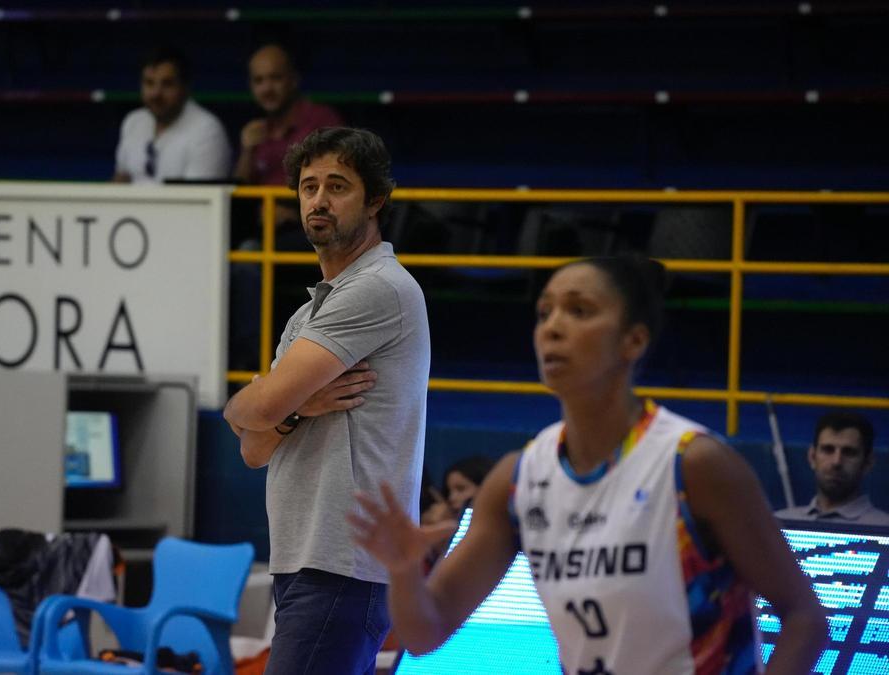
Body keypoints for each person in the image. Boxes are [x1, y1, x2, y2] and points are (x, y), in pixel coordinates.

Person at [349, 256, 827, 674]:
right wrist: (404, 570)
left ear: (633, 341)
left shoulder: (694, 465)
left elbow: (805, 616)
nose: (552, 327)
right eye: (544, 312)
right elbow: (424, 633)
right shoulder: (518, 480)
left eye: (579, 311)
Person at [223, 127, 430, 675]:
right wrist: (297, 406)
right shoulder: (306, 315)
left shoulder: (377, 288)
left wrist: (266, 406)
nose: (318, 199)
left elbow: (247, 412)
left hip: (344, 566)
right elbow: (252, 448)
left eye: (337, 186)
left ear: (376, 199)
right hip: (307, 562)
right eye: (308, 186)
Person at [112, 47, 231, 184]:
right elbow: (121, 180)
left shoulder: (208, 131)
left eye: (167, 84)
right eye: (149, 83)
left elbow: (199, 201)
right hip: (131, 206)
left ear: (185, 87)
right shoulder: (133, 121)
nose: (156, 93)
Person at [233, 44, 343, 187]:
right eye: (259, 80)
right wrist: (247, 152)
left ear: (294, 80)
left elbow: (335, 184)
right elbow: (238, 191)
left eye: (276, 78)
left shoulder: (321, 122)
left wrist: (291, 208)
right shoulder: (255, 132)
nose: (267, 89)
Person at [776, 411, 889, 526]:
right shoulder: (776, 525)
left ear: (868, 462)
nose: (836, 462)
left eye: (849, 452)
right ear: (812, 457)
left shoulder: (884, 527)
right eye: (828, 450)